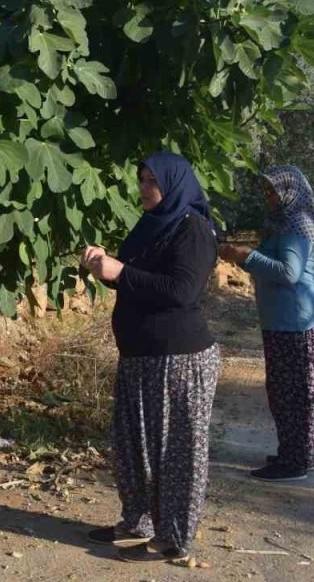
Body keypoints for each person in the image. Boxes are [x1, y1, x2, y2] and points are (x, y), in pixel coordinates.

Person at [80, 152, 220, 564]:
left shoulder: (193, 229)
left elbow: (182, 291)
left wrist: (120, 272)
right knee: (132, 446)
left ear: (173, 184)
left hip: (179, 360)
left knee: (176, 453)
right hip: (140, 356)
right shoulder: (152, 225)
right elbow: (136, 282)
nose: (142, 188)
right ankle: (137, 520)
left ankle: (174, 537)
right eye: (140, 179)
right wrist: (103, 268)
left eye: (150, 181)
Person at [219, 165, 314, 482]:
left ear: (290, 192)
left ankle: (296, 462)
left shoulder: (295, 224)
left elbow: (289, 273)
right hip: (282, 321)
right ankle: (291, 452)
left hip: (296, 322)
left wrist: (245, 257)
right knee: (282, 390)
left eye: (273, 190)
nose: (269, 196)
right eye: (266, 190)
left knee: (294, 392)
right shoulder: (280, 222)